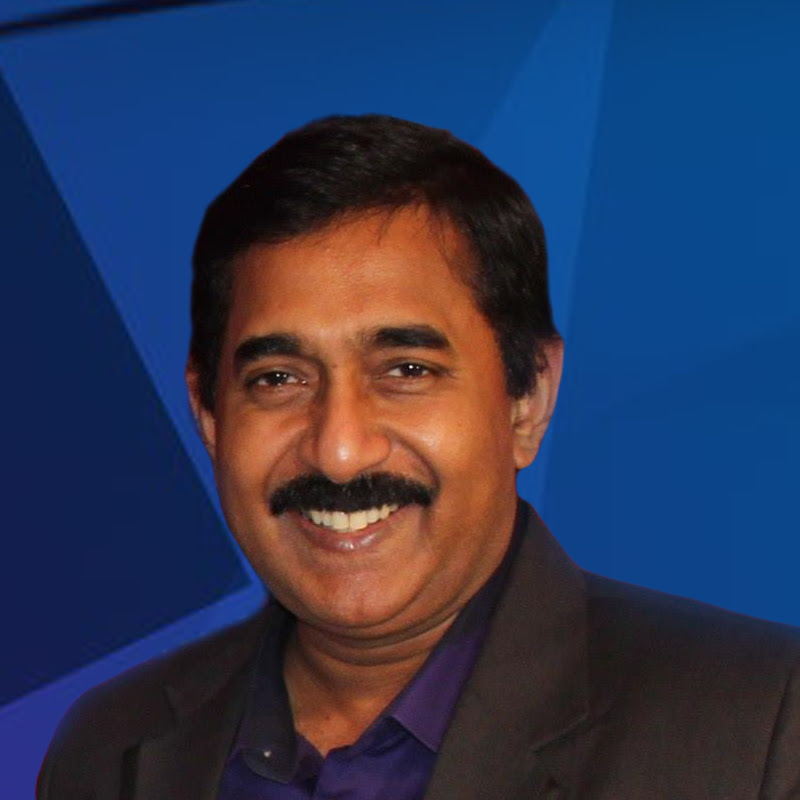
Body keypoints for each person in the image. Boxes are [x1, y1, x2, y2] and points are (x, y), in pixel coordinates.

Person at [38, 115, 800, 799]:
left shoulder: (760, 731)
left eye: (406, 370)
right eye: (278, 379)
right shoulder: (109, 751)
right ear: (209, 414)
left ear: (527, 399)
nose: (339, 452)